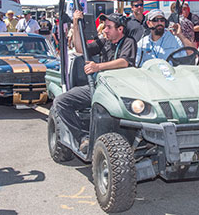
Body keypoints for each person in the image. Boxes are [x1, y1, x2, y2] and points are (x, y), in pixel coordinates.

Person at [52, 11, 136, 153]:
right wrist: (76, 26)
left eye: (109, 27)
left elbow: (124, 62)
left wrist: (98, 67)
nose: (105, 30)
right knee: (61, 102)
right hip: (100, 88)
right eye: (105, 27)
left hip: (120, 91)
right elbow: (80, 49)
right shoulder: (104, 42)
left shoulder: (129, 42)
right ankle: (83, 137)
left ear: (120, 29)